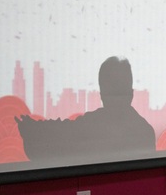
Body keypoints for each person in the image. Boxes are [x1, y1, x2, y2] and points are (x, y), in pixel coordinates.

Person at [16, 56, 156, 165]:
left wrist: (30, 129)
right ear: (131, 92)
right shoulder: (146, 131)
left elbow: (58, 137)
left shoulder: (90, 125)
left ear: (102, 93)